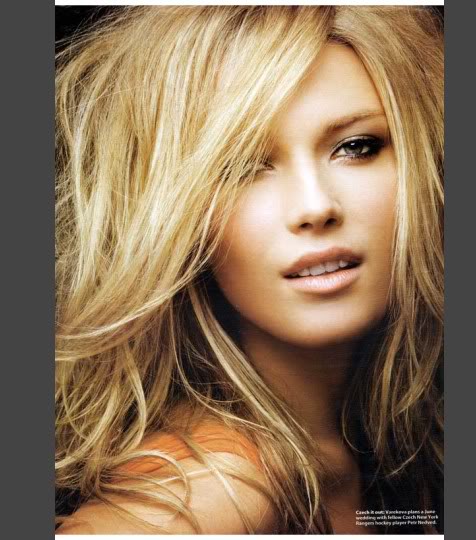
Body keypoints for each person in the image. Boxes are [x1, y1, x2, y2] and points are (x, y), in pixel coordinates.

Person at [55, 5, 443, 535]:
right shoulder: (220, 482)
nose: (315, 206)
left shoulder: (388, 445)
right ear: (174, 215)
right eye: (241, 166)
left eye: (356, 147)